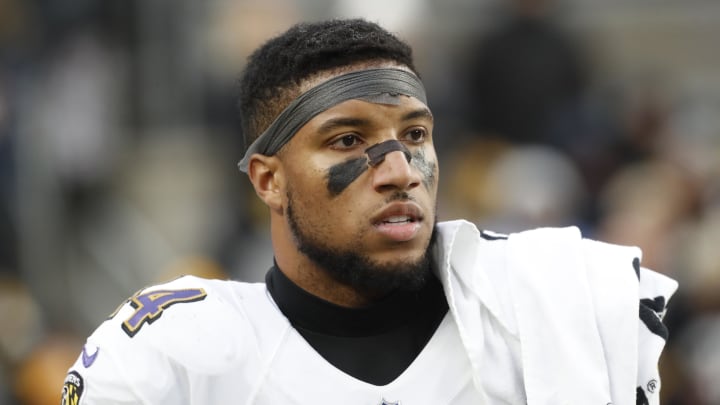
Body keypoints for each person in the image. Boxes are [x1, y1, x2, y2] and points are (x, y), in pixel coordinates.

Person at [62, 18, 677, 404]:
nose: (400, 171)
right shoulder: (173, 354)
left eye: (414, 136)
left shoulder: (547, 308)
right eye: (348, 141)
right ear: (269, 181)